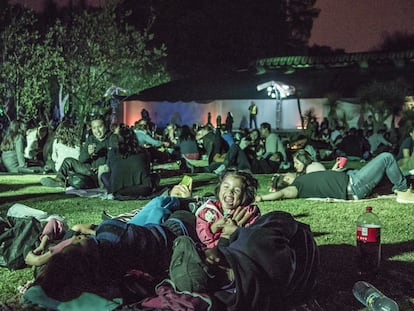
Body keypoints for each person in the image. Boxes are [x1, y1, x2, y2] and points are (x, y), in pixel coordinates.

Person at [25, 210, 197, 302]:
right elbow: (83, 230)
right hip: (176, 228)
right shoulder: (111, 232)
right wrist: (92, 230)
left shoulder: (104, 269)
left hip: (162, 243)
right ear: (89, 257)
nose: (73, 240)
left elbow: (72, 254)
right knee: (163, 206)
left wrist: (43, 256)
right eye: (77, 243)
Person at [172, 211, 319, 311]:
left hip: (299, 289)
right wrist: (239, 231)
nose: (202, 245)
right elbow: (284, 218)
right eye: (200, 249)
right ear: (212, 259)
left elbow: (226, 263)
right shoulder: (252, 241)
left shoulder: (229, 300)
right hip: (305, 255)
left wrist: (225, 238)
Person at [255, 152, 414, 204]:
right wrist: (261, 197)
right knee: (386, 158)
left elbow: (325, 179)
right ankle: (403, 191)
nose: (290, 170)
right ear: (287, 180)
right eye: (285, 175)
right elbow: (282, 194)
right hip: (355, 184)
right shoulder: (296, 186)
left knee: (405, 175)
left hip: (352, 178)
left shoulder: (306, 176)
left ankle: (405, 182)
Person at [40, 116, 116, 188]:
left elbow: (115, 159)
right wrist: (88, 154)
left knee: (77, 180)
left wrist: (101, 167)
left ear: (105, 126)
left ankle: (69, 182)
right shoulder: (91, 139)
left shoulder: (112, 138)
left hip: (104, 171)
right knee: (68, 161)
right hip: (89, 171)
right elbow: (81, 159)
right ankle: (60, 179)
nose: (97, 131)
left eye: (100, 127)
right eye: (94, 128)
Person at [195, 168, 260, 248]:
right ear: (219, 189)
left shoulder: (248, 213)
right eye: (226, 187)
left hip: (236, 251)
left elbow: (254, 236)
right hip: (212, 253)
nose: (230, 191)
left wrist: (236, 230)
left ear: (244, 195)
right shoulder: (207, 210)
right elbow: (201, 237)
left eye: (237, 190)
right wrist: (216, 226)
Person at [100, 125, 158, 199]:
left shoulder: (112, 152)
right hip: (143, 189)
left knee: (104, 175)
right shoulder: (143, 151)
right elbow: (147, 170)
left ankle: (117, 192)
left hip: (117, 189)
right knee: (155, 176)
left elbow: (111, 170)